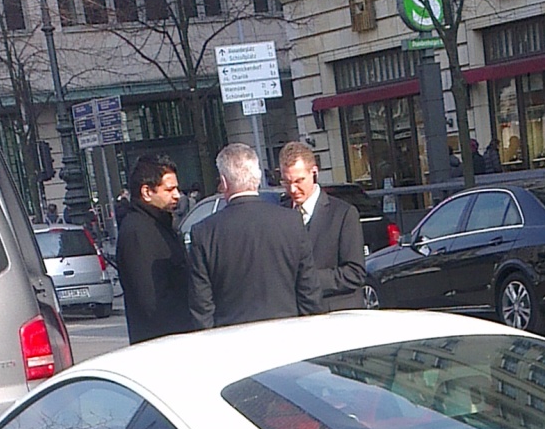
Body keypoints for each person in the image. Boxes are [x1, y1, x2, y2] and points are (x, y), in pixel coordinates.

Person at [188, 142, 322, 328]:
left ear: (224, 182)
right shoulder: (291, 222)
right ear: (257, 178)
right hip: (288, 336)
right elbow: (309, 291)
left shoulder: (204, 233)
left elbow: (202, 306)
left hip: (232, 340)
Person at [278, 139, 366, 311]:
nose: (293, 189)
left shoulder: (343, 214)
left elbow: (355, 273)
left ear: (314, 173)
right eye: (286, 182)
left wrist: (307, 279)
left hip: (335, 314)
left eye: (299, 181)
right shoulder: (280, 215)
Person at [115, 155, 192, 343]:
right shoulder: (138, 231)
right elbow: (151, 301)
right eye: (169, 189)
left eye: (177, 188)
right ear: (147, 192)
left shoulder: (160, 224)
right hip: (161, 344)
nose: (177, 195)